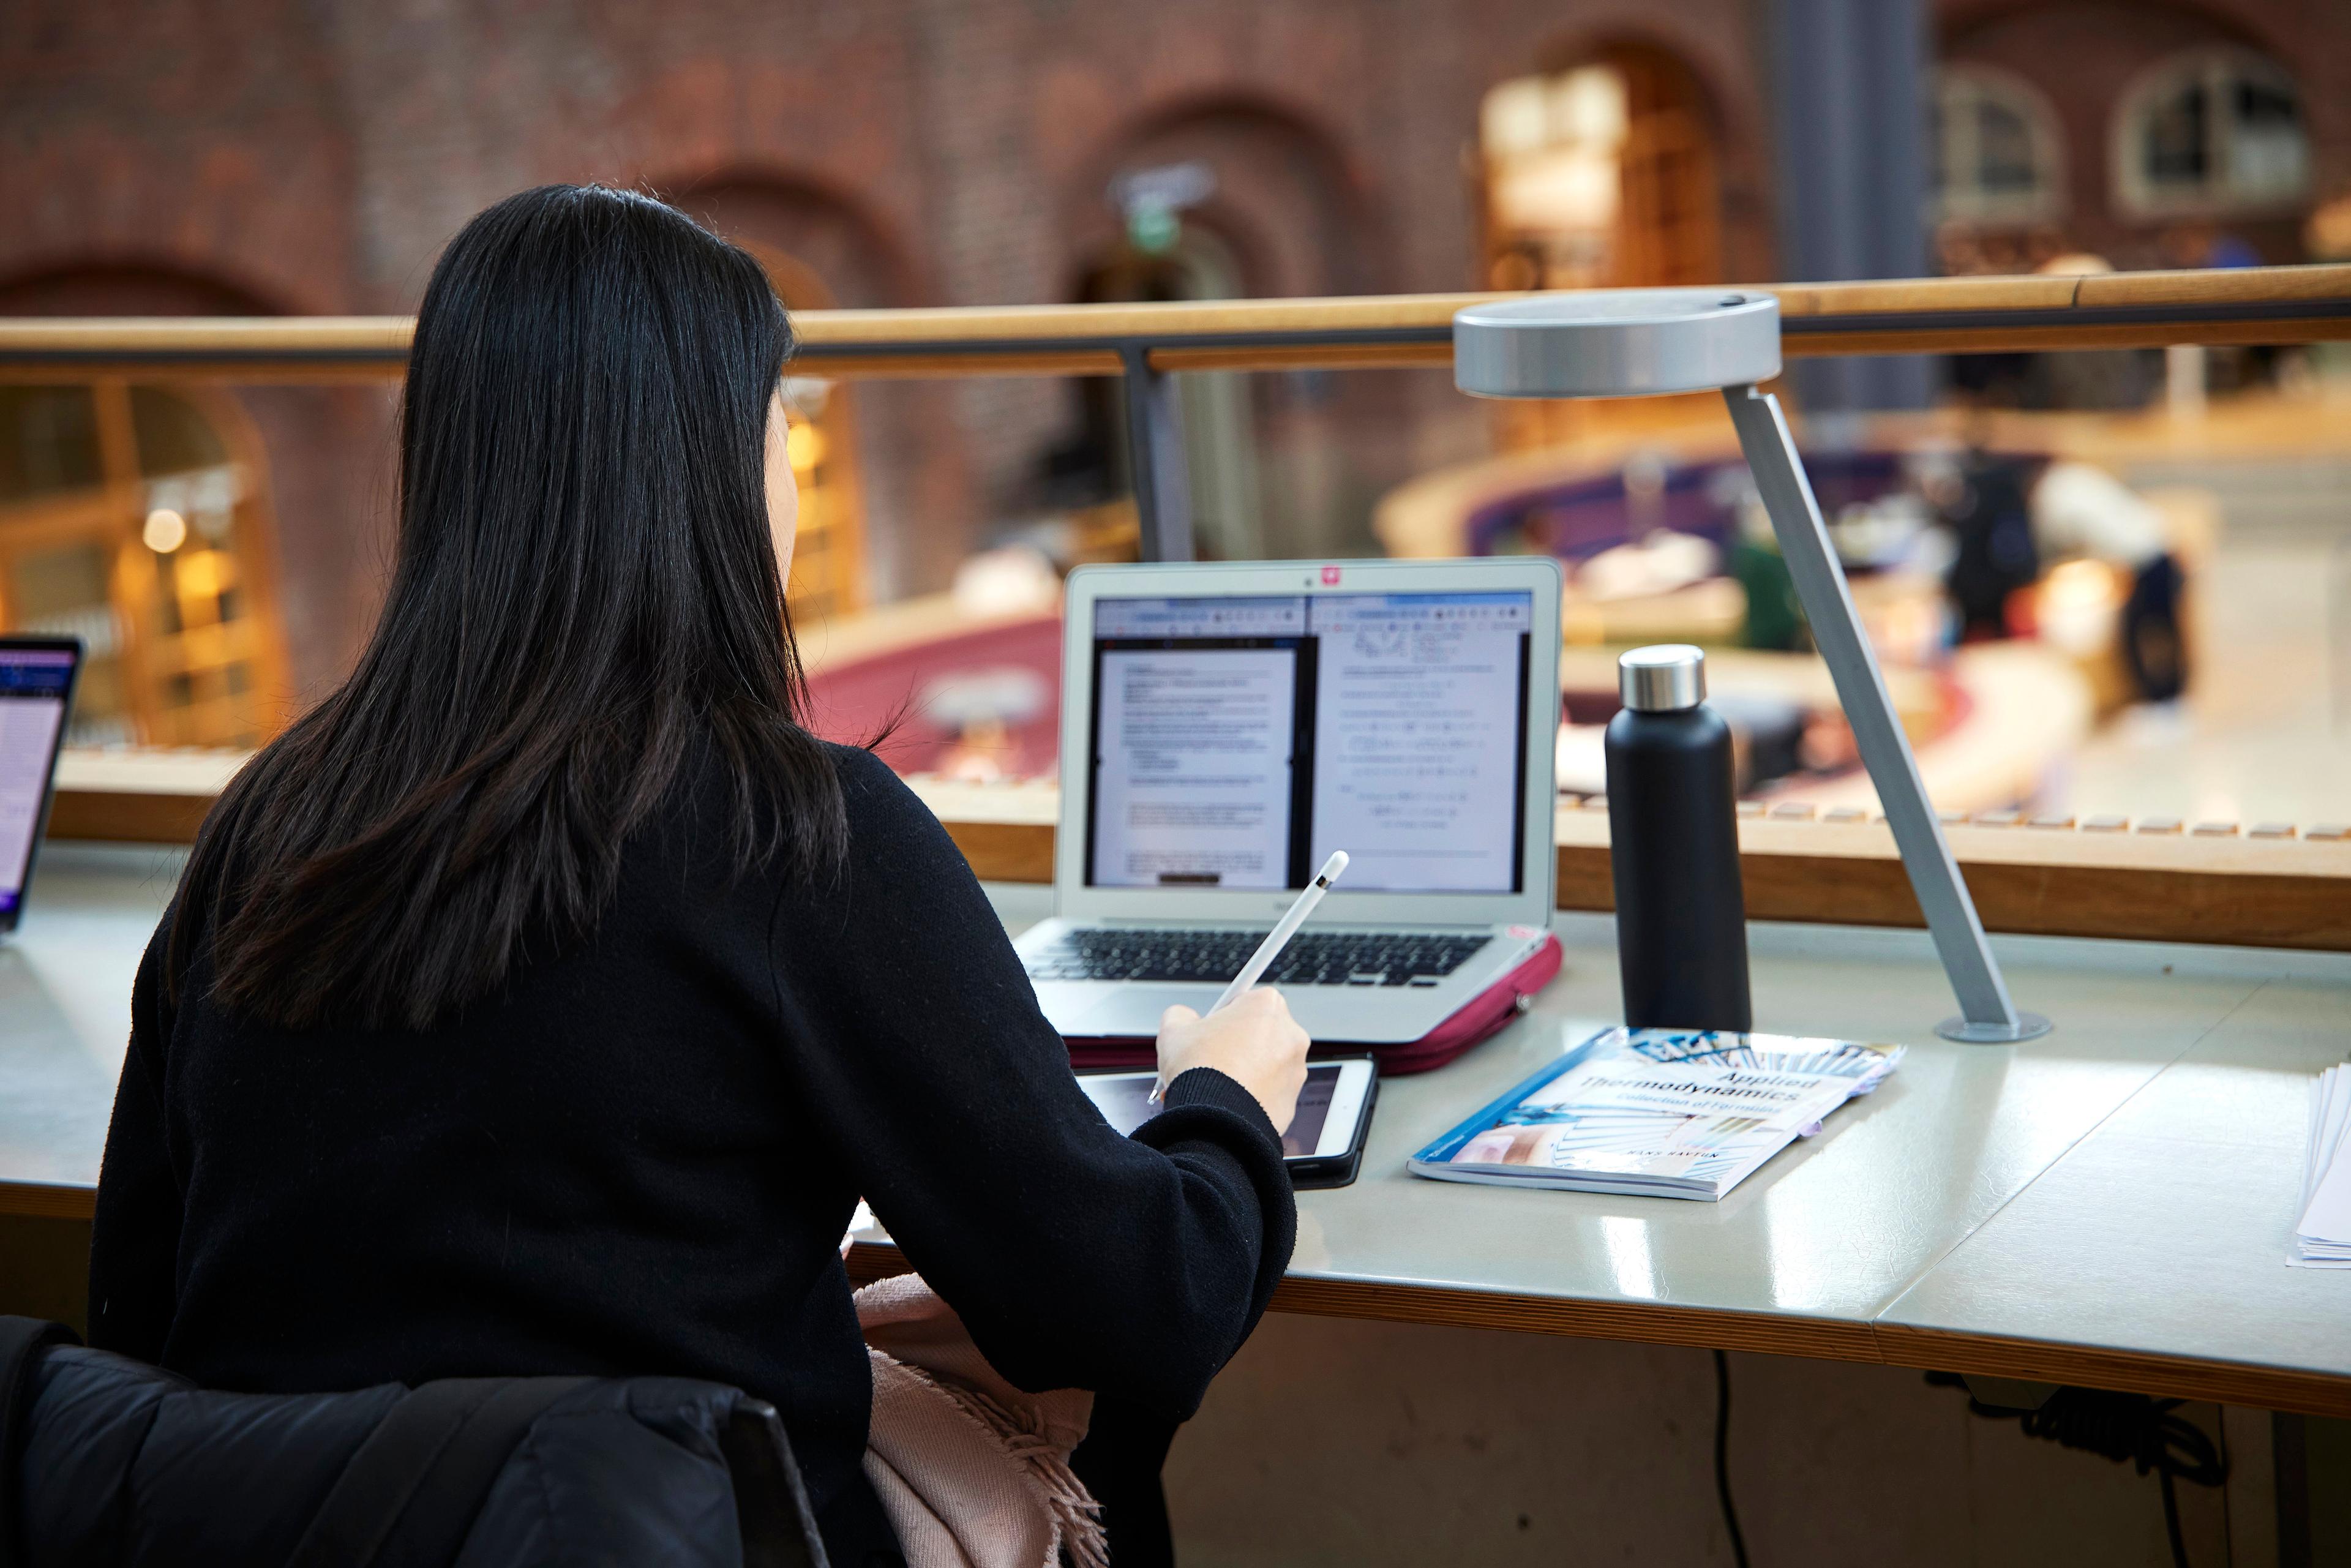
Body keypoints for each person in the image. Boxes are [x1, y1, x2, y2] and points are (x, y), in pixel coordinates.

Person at [87, 184, 1309, 1567]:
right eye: (781, 423)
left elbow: (136, 1308)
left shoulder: (263, 825)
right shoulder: (796, 835)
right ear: (714, 468)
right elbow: (1136, 1311)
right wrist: (1224, 1109)